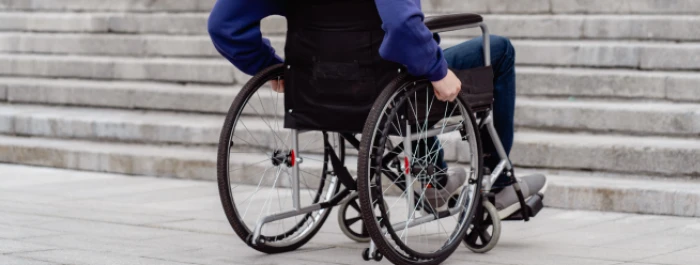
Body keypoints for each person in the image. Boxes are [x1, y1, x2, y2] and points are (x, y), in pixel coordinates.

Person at [207, 0, 546, 217]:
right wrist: (438, 71)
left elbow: (224, 26)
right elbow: (402, 26)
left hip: (315, 90)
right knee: (497, 50)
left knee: (412, 64)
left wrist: (269, 67)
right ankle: (497, 182)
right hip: (386, 87)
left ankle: (434, 180)